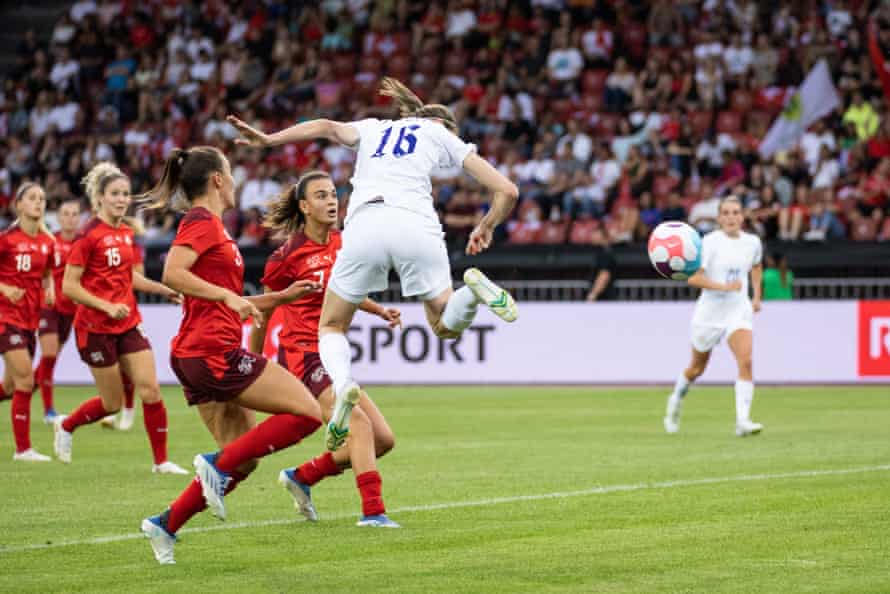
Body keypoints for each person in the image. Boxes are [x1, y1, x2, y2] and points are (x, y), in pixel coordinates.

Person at [227, 76, 520, 452]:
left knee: (331, 324)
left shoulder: (374, 128)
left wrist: (269, 140)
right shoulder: (440, 135)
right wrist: (487, 225)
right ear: (442, 124)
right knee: (444, 323)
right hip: (416, 223)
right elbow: (508, 190)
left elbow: (326, 126)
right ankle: (473, 293)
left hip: (365, 224)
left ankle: (344, 383)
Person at [140, 146, 325, 565]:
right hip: (211, 352)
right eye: (232, 173)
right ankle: (211, 465)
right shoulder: (201, 222)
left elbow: (227, 300)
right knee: (308, 413)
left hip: (196, 354)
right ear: (218, 180)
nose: (237, 181)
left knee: (243, 459)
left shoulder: (216, 230)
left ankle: (165, 524)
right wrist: (228, 295)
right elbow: (172, 273)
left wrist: (280, 297)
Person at [251, 170, 403, 528]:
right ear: (304, 206)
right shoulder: (285, 256)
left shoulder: (343, 245)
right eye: (321, 195)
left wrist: (379, 309)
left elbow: (344, 293)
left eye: (333, 194)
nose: (331, 201)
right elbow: (264, 308)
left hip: (331, 353)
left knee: (382, 439)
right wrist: (255, 362)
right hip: (303, 355)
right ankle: (373, 512)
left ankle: (303, 476)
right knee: (360, 426)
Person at [54, 162, 188, 475]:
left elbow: (131, 278)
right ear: (99, 197)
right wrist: (105, 306)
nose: (121, 199)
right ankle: (67, 425)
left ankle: (161, 462)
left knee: (151, 389)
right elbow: (69, 286)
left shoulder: (126, 234)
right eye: (115, 193)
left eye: (125, 194)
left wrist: (163, 289)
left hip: (127, 322)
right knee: (111, 404)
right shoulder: (88, 236)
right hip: (95, 328)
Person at [663, 196, 764, 437]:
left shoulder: (752, 243)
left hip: (737, 310)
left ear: (743, 216)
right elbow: (694, 278)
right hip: (709, 313)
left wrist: (757, 296)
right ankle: (675, 400)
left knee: (746, 361)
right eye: (726, 213)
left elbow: (757, 266)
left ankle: (743, 420)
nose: (731, 217)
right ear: (719, 218)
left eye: (736, 212)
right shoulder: (708, 243)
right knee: (696, 369)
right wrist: (724, 287)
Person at [0, 183, 56, 461]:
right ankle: (23, 450)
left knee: (10, 387)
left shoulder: (47, 242)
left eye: (42, 198)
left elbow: (46, 273)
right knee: (25, 380)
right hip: (5, 318)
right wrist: (4, 288)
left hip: (29, 319)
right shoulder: (6, 240)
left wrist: (50, 288)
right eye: (32, 198)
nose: (38, 203)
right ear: (18, 205)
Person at [34, 197, 81, 424]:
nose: (70, 218)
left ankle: (22, 388)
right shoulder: (51, 243)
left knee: (47, 363)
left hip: (70, 311)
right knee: (49, 355)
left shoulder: (83, 244)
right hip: (49, 306)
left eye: (74, 214)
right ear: (58, 218)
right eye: (66, 214)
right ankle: (48, 411)